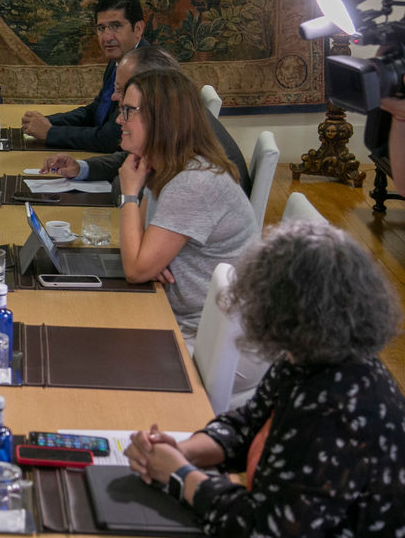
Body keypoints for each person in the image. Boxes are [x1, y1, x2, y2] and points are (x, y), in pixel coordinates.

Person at [126, 222, 405, 536]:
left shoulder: (337, 409)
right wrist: (183, 450)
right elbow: (248, 424)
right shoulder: (312, 356)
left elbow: (265, 528)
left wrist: (180, 475)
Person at [115, 69, 256, 340]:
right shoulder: (166, 165)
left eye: (128, 111)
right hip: (179, 315)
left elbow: (134, 270)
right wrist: (151, 259)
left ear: (161, 120)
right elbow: (140, 251)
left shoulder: (193, 182)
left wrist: (129, 194)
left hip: (209, 336)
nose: (119, 119)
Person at [41, 46, 251, 195]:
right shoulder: (173, 118)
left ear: (152, 91)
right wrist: (81, 168)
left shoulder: (190, 164)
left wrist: (126, 184)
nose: (114, 97)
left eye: (122, 89)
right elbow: (130, 160)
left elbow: (130, 191)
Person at [21, 0, 147, 151]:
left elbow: (112, 139)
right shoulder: (118, 59)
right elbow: (95, 113)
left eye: (116, 26)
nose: (107, 37)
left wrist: (50, 133)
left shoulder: (146, 69)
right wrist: (46, 121)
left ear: (138, 29)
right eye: (101, 28)